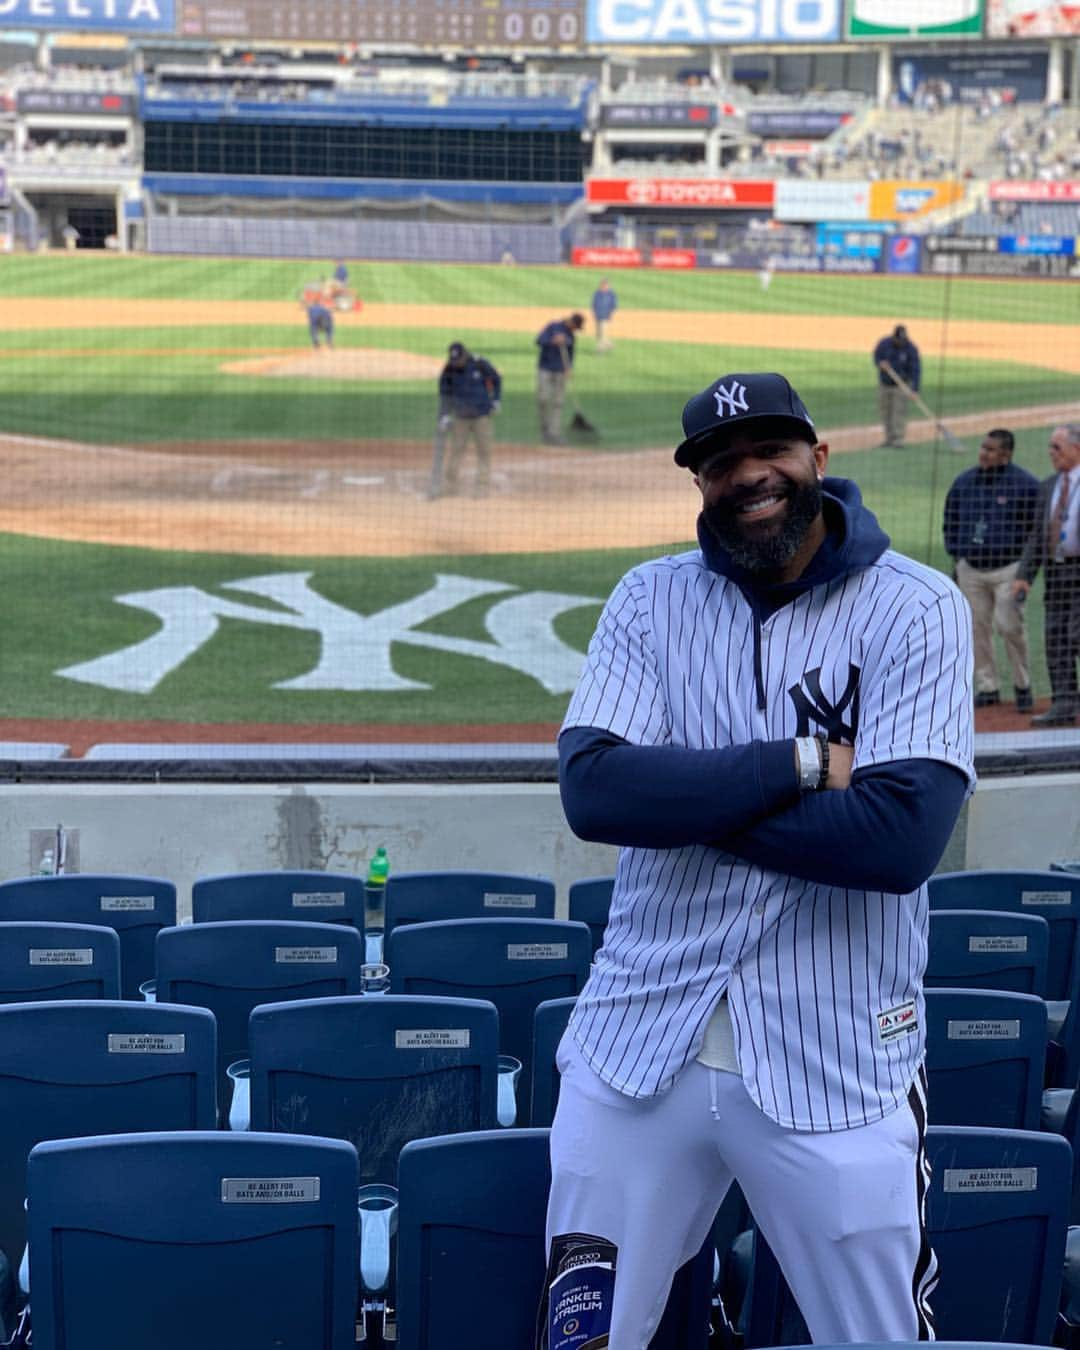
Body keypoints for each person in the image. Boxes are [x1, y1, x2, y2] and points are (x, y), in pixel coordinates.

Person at [542, 370, 974, 1349]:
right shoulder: (650, 600)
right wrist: (804, 764)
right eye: (721, 461)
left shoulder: (916, 608)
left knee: (880, 1341)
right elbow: (595, 794)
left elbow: (897, 841)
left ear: (819, 459)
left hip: (841, 1056)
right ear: (698, 483)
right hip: (635, 1048)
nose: (749, 474)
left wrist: (683, 799)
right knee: (581, 1337)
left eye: (771, 451)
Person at [944, 428, 1039, 712]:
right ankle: (988, 687)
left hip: (1008, 570)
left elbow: (1035, 529)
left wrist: (1024, 569)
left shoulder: (1025, 485)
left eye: (991, 449)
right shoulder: (964, 482)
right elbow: (950, 519)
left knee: (1010, 626)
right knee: (976, 629)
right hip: (971, 570)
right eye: (983, 447)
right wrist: (958, 554)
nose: (983, 452)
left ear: (1006, 455)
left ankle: (1023, 685)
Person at [1013, 423, 1080, 727]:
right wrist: (1025, 575)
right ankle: (1064, 705)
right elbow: (1037, 538)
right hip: (1056, 574)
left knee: (1076, 636)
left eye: (1057, 447)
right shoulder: (1049, 485)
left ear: (1076, 449)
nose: (1051, 453)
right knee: (1056, 639)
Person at [431, 341, 501, 498]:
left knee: (484, 451)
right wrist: (443, 416)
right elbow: (444, 394)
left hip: (482, 416)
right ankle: (451, 486)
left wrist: (496, 400)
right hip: (461, 417)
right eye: (454, 360)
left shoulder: (479, 363)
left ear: (465, 354)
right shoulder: (449, 369)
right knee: (456, 450)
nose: (457, 364)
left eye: (459, 360)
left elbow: (496, 379)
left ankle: (482, 487)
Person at [535, 313, 584, 445]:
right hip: (545, 369)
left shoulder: (571, 336)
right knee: (543, 399)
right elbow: (539, 340)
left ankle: (554, 433)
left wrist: (569, 368)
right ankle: (544, 431)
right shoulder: (553, 326)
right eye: (576, 327)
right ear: (572, 323)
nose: (576, 330)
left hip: (561, 371)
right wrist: (553, 340)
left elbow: (571, 354)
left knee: (558, 403)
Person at [873, 324, 921, 448]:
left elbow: (916, 369)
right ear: (893, 337)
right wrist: (880, 363)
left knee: (898, 412)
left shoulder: (911, 349)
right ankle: (889, 438)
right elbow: (876, 356)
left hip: (901, 385)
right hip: (885, 385)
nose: (900, 343)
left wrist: (915, 389)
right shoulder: (884, 344)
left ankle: (898, 439)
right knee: (885, 411)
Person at [300, 284, 334, 350]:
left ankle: (316, 341)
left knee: (313, 328)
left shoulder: (311, 308)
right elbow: (330, 317)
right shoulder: (324, 308)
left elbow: (310, 318)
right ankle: (329, 341)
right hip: (325, 319)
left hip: (317, 319)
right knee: (329, 327)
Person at [591, 278, 618, 352]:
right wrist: (594, 313)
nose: (603, 286)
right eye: (602, 285)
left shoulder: (611, 294)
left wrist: (611, 314)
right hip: (598, 316)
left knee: (602, 334)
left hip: (605, 316)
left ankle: (599, 350)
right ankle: (610, 345)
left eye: (605, 285)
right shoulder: (597, 293)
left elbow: (614, 305)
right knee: (598, 334)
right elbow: (594, 304)